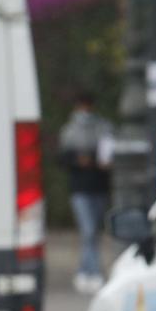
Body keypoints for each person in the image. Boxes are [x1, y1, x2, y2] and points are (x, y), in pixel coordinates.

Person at [57, 92, 113, 293]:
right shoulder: (70, 131)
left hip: (98, 185)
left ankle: (84, 269)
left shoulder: (102, 127)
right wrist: (77, 161)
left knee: (93, 232)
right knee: (88, 230)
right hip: (80, 187)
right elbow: (62, 158)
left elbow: (108, 151)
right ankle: (93, 271)